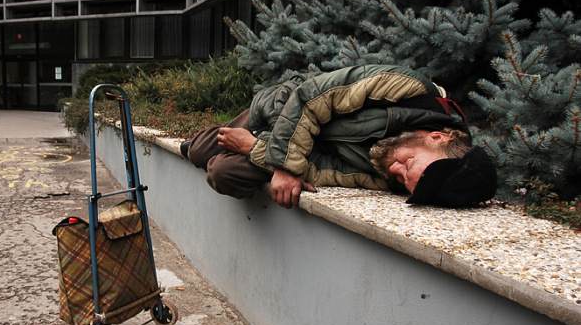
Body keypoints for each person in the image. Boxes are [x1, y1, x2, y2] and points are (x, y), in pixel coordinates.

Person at [180, 64, 497, 209]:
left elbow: (325, 171)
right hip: (286, 108)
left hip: (293, 148)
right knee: (198, 152)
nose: (395, 171)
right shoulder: (409, 89)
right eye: (409, 164)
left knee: (222, 172)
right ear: (438, 137)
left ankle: (232, 148)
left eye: (403, 181)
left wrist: (256, 149)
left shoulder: (391, 177)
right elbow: (313, 96)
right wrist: (284, 166)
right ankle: (197, 145)